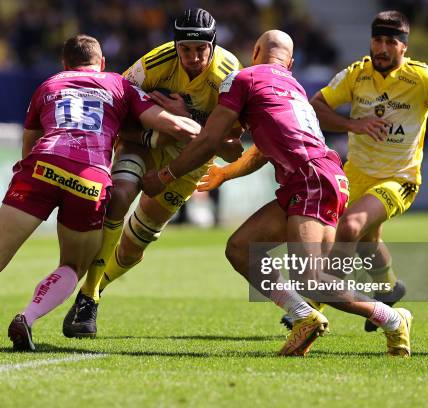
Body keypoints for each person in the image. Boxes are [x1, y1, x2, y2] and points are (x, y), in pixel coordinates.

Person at [0, 34, 201, 352]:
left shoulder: (49, 85)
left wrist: (28, 176)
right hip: (90, 178)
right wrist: (206, 129)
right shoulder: (118, 84)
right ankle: (27, 317)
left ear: (64, 63)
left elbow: (29, 144)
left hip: (42, 166)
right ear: (101, 63)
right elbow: (174, 126)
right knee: (73, 266)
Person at [203, 10, 428, 333]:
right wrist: (353, 124)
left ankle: (318, 301)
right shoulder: (356, 75)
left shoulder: (424, 78)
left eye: (390, 42)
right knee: (367, 238)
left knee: (350, 227)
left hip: (399, 178)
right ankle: (389, 288)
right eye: (377, 40)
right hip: (352, 174)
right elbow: (316, 107)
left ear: (404, 47)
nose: (381, 48)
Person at [142, 30, 413, 357]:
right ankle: (304, 316)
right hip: (321, 176)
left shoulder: (244, 78)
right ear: (291, 63)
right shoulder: (294, 88)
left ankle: (393, 319)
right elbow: (247, 150)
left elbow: (212, 141)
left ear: (254, 51)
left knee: (313, 281)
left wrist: (167, 174)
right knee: (240, 249)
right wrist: (225, 172)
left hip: (310, 178)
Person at [62, 8, 243, 338]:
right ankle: (89, 298)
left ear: (213, 45)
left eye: (200, 49)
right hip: (146, 142)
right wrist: (154, 133)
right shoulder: (153, 64)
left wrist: (187, 117)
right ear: (175, 45)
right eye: (185, 49)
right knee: (120, 195)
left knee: (133, 247)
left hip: (191, 158)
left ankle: (93, 288)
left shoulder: (230, 75)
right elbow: (115, 109)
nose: (192, 57)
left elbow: (232, 149)